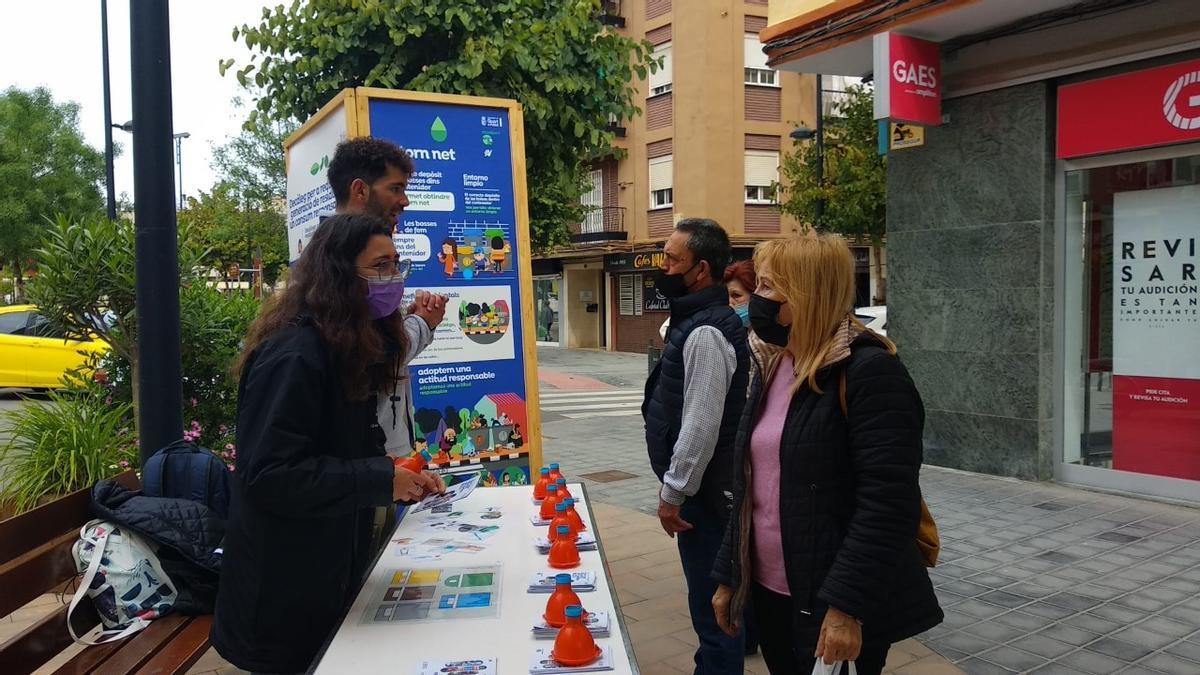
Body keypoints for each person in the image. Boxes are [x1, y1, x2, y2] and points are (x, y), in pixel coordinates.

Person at [212, 214, 448, 673]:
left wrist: (404, 475)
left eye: (397, 265)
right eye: (381, 266)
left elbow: (341, 448)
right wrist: (381, 479)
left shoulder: (343, 345)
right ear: (339, 273)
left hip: (324, 577)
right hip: (283, 597)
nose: (393, 279)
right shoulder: (294, 355)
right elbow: (270, 474)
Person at [711, 234, 942, 675]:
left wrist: (846, 608)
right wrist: (730, 576)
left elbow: (888, 505)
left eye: (767, 287)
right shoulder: (773, 363)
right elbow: (750, 487)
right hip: (773, 591)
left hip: (835, 598)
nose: (754, 300)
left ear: (807, 293)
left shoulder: (870, 373)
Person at [643, 218, 749, 673]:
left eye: (671, 259)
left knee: (713, 608)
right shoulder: (695, 321)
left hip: (705, 496)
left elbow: (700, 426)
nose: (662, 267)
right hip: (704, 491)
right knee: (711, 604)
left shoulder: (706, 332)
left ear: (700, 269)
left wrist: (673, 492)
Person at [329, 137, 448, 459]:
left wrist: (406, 322)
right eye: (395, 189)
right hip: (364, 473)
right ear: (360, 190)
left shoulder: (347, 253)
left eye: (394, 264)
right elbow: (370, 358)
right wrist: (420, 323)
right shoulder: (333, 263)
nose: (405, 201)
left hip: (381, 468)